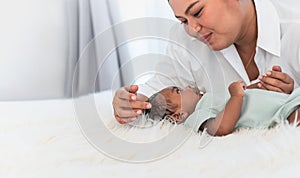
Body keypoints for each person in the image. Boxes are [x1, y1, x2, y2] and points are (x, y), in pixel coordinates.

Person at [113, 0, 300, 124]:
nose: (192, 29)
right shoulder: (185, 41)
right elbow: (159, 89)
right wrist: (130, 102)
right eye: (182, 21)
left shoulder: (294, 27)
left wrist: (291, 96)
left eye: (197, 11)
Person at [146, 82, 300, 136]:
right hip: (278, 113)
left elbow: (241, 97)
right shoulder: (196, 116)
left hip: (285, 100)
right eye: (178, 91)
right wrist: (236, 96)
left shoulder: (208, 98)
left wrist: (251, 87)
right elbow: (221, 128)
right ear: (178, 116)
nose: (186, 87)